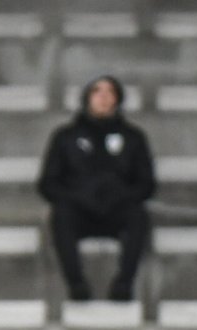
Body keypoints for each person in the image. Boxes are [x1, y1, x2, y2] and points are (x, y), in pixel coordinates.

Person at [36, 75, 155, 302]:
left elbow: (147, 184)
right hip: (79, 211)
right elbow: (47, 184)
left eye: (110, 92)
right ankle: (77, 285)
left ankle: (123, 285)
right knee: (61, 215)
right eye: (97, 92)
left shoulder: (133, 138)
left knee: (138, 216)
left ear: (117, 99)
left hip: (117, 211)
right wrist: (77, 197)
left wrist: (122, 196)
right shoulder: (65, 137)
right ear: (87, 98)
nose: (103, 97)